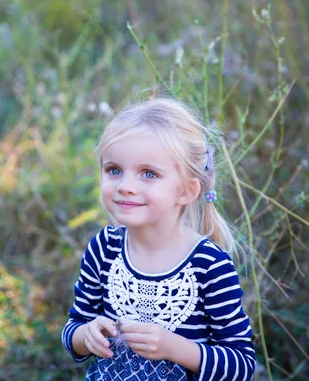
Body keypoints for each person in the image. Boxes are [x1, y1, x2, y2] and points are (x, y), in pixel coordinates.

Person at [61, 97, 256, 380]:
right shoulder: (104, 248)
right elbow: (74, 327)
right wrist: (86, 335)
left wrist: (175, 348)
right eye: (114, 170)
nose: (126, 186)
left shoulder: (210, 265)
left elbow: (241, 365)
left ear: (186, 192)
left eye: (148, 174)